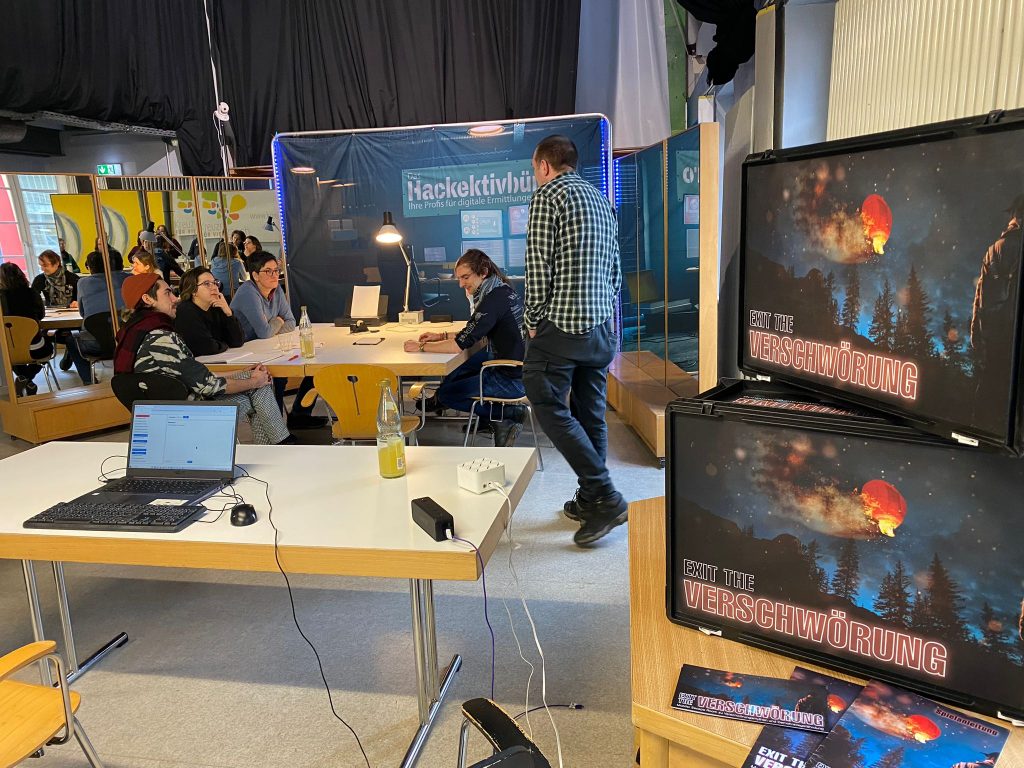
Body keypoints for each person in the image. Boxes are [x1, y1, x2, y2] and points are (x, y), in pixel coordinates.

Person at [523, 134, 624, 547]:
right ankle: (590, 499)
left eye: (535, 170)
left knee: (544, 399)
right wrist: (600, 312)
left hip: (561, 327)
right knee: (590, 415)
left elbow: (538, 266)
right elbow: (615, 271)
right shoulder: (602, 200)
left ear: (545, 166)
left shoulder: (549, 196)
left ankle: (604, 495)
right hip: (599, 328)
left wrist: (532, 320)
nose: (536, 176)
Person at [113, 273, 294, 445]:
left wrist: (242, 373)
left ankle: (275, 446)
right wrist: (254, 382)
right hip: (189, 417)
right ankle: (281, 444)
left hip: (160, 417)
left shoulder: (132, 334)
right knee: (259, 387)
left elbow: (193, 377)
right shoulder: (161, 337)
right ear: (147, 299)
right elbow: (208, 385)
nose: (175, 298)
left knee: (256, 380)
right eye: (167, 293)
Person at [404, 249, 526, 446]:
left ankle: (505, 414)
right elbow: (472, 331)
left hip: (509, 377)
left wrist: (421, 347)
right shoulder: (500, 290)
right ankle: (479, 414)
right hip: (513, 365)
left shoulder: (492, 300)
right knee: (460, 368)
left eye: (465, 277)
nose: (461, 284)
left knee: (448, 394)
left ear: (483, 272)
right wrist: (440, 336)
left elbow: (457, 346)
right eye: (459, 278)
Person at [230, 251, 325, 429]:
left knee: (315, 364)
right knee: (277, 378)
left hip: (267, 348)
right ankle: (278, 429)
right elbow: (264, 332)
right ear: (255, 275)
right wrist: (278, 320)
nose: (274, 275)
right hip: (245, 353)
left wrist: (275, 324)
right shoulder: (248, 293)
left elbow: (292, 322)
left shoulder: (276, 289)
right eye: (268, 271)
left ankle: (299, 415)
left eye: (276, 270)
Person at [970, 193, 1023, 414]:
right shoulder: (1014, 247)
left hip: (992, 337)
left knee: (988, 396)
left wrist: (976, 333)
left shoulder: (993, 249)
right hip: (1012, 340)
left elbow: (979, 295)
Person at [31, 249, 91, 384]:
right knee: (58, 338)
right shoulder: (40, 280)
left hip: (72, 319)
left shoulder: (72, 278)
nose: (43, 268)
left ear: (56, 263)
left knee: (73, 337)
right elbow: (32, 299)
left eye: (45, 265)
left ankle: (86, 377)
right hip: (52, 319)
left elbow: (83, 297)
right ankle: (70, 356)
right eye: (41, 265)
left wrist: (77, 301)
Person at [0, 262, 53, 396]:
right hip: (35, 347)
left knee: (10, 353)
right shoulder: (31, 293)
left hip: (9, 348)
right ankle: (27, 378)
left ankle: (24, 378)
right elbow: (40, 315)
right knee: (48, 347)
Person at [174, 266, 246, 356]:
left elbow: (238, 341)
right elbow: (207, 347)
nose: (214, 287)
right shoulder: (186, 311)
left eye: (215, 283)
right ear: (193, 290)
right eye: (207, 284)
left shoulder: (216, 307)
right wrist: (225, 344)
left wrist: (228, 313)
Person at [76, 250, 126, 357]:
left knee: (72, 340)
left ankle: (86, 369)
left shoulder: (83, 283)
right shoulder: (129, 278)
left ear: (90, 267)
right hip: (128, 338)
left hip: (95, 340)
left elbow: (82, 313)